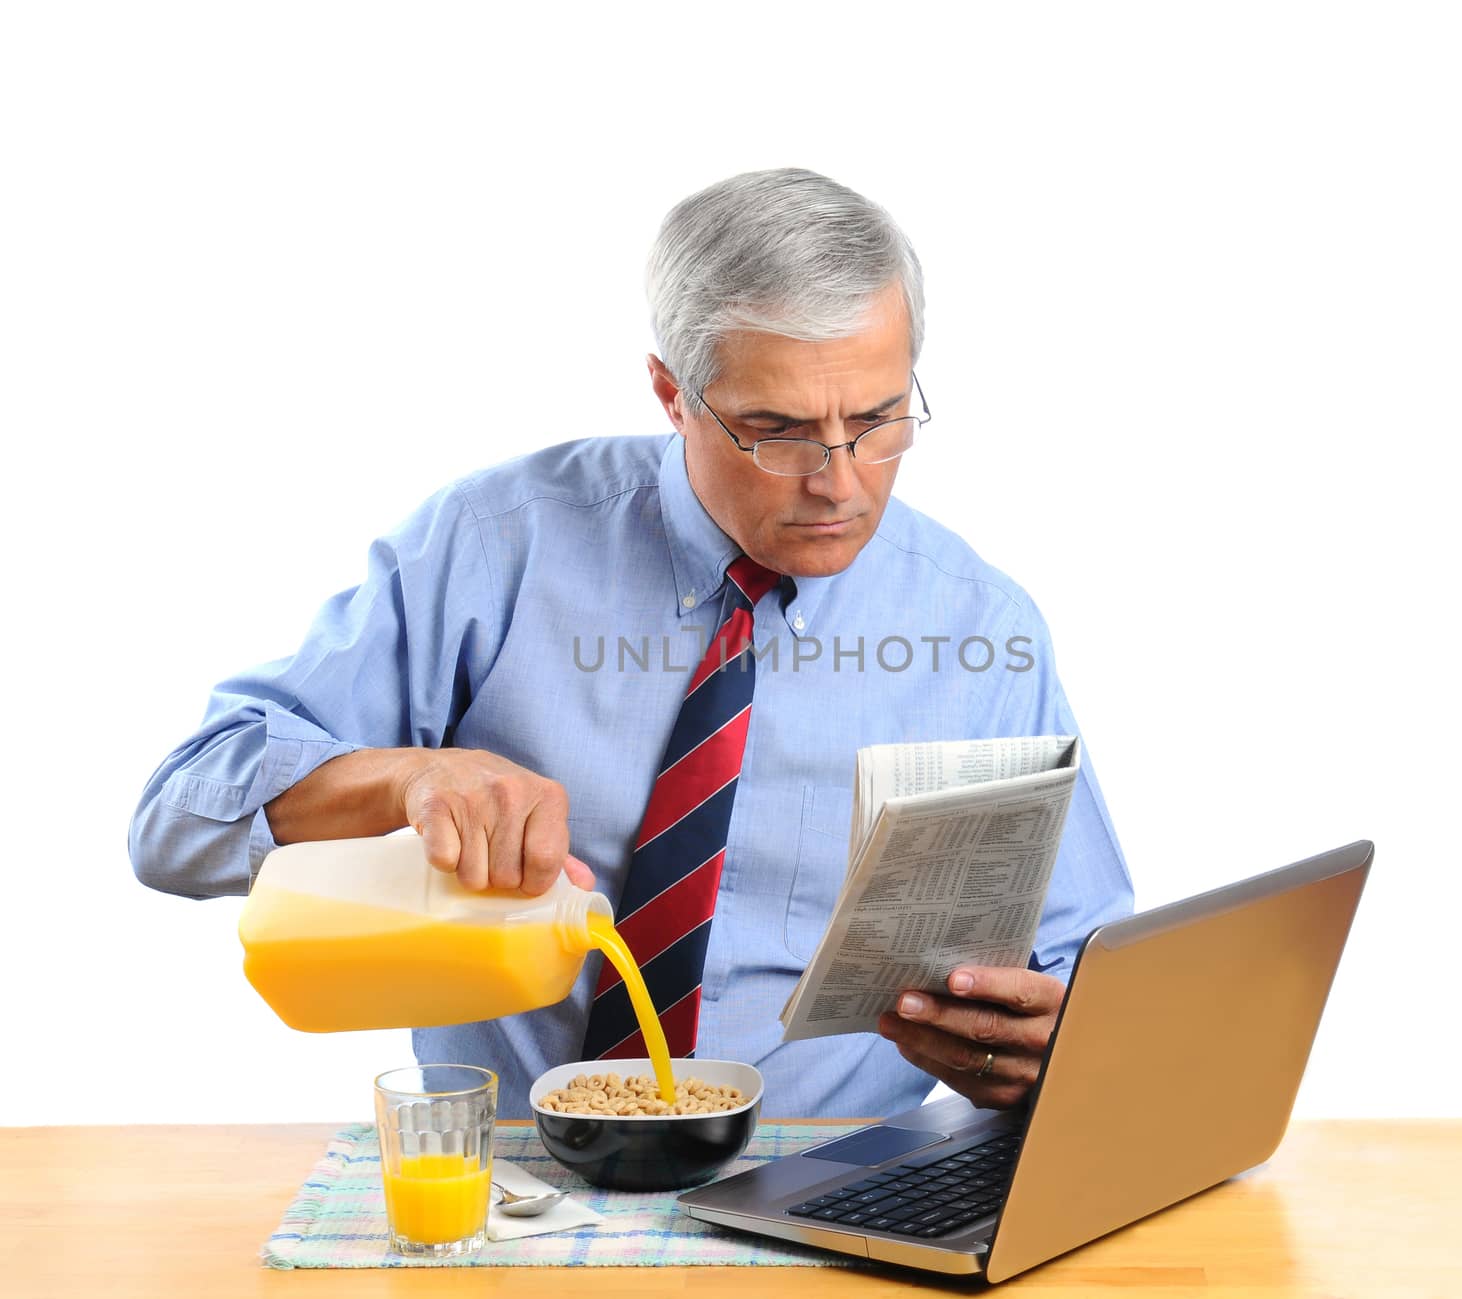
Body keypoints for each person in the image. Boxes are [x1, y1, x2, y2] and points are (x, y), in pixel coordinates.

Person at [129, 168, 1133, 1120]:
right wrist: (406, 779)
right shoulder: (496, 549)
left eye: (876, 419)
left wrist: (1051, 1044)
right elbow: (178, 815)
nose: (840, 480)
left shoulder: (978, 626)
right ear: (671, 395)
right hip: (517, 1175)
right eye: (776, 428)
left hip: (829, 1180)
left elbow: (1087, 967)